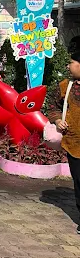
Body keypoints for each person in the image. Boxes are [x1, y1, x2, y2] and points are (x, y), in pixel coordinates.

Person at [49, 51, 80, 235]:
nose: (68, 66)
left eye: (71, 62)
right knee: (79, 181)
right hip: (74, 143)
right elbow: (53, 105)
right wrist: (57, 120)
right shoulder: (65, 86)